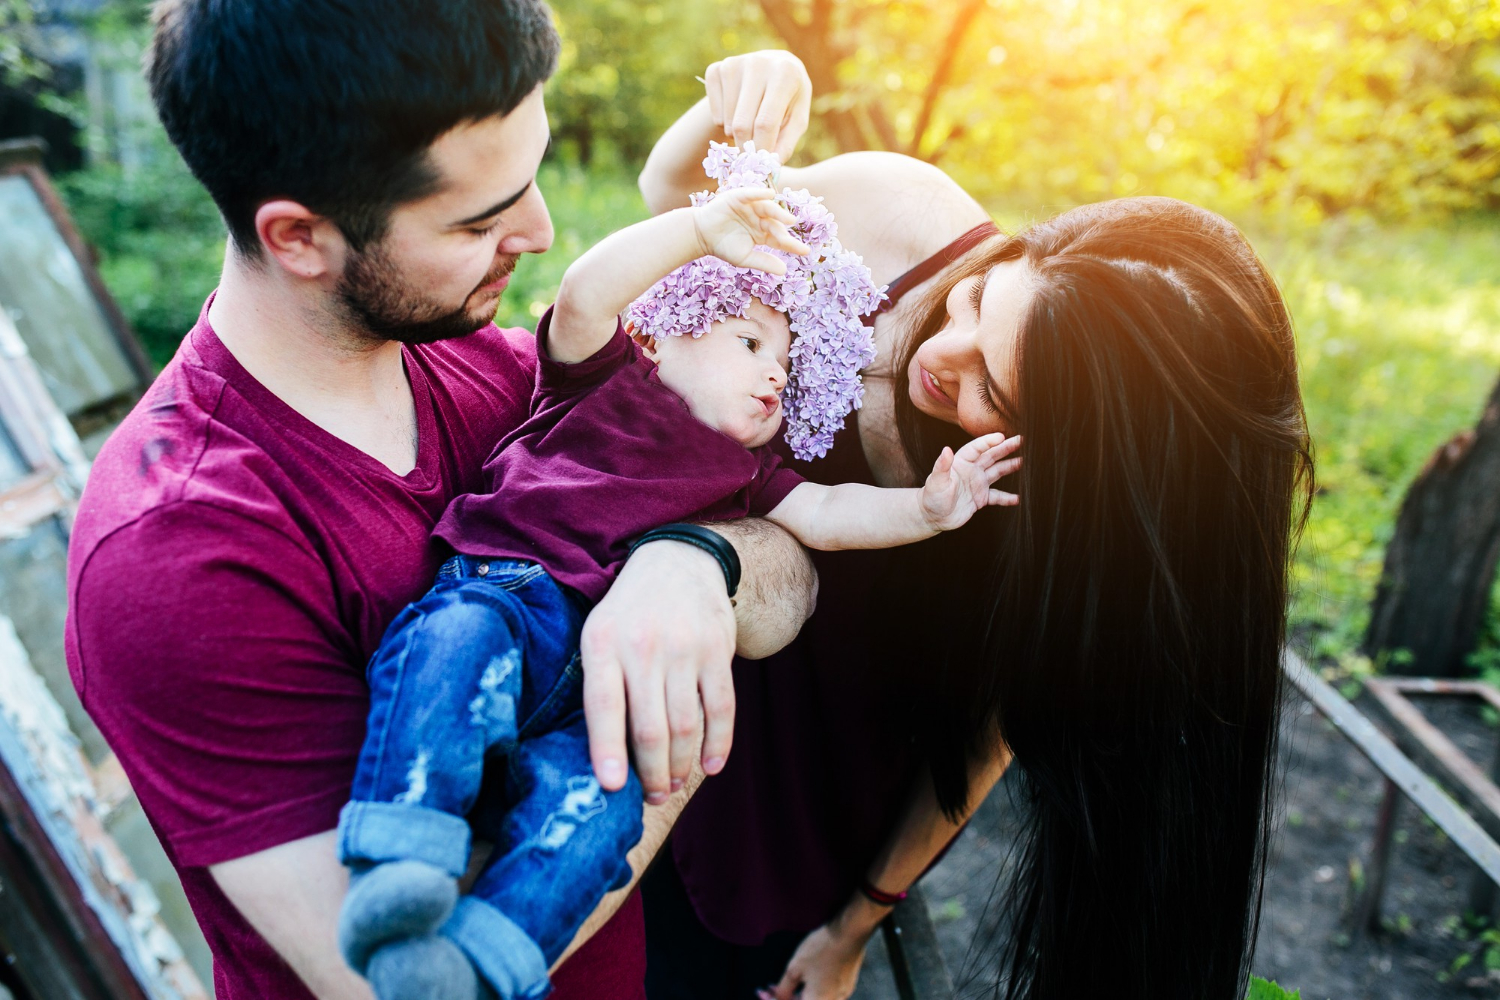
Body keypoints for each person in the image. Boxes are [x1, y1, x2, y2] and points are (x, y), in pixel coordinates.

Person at [63, 6, 817, 1000]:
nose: (541, 233)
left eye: (531, 177)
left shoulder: (497, 367)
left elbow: (792, 574)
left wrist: (692, 565)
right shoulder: (175, 554)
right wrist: (661, 718)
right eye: (478, 221)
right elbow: (392, 975)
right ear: (299, 237)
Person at [636, 51, 1315, 1000]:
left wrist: (855, 924)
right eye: (978, 301)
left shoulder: (1052, 534)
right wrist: (736, 104)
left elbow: (979, 742)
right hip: (659, 647)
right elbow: (669, 203)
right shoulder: (888, 206)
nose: (940, 358)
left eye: (992, 392)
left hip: (816, 782)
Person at [334, 149, 1022, 1000]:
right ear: (659, 338)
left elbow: (831, 515)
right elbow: (586, 292)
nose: (774, 370)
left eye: (783, 362)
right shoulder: (600, 380)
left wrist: (928, 510)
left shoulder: (749, 474)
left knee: (603, 806)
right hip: (507, 593)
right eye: (749, 342)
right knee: (447, 648)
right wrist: (699, 230)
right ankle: (403, 852)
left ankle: (490, 948)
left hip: (602, 676)